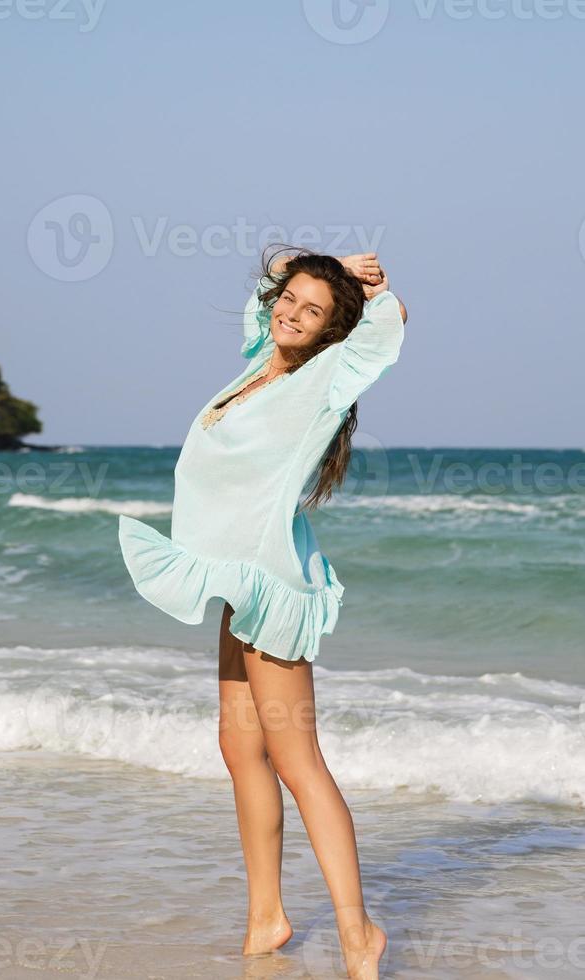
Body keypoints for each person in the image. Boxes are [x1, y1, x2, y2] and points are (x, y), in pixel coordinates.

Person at [118, 247, 408, 979]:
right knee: (240, 750)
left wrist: (366, 286)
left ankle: (357, 934)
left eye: (312, 312)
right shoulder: (258, 362)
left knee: (297, 760)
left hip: (271, 582)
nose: (292, 313)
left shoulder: (324, 380)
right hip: (235, 578)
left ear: (329, 332)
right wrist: (322, 265)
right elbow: (269, 278)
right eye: (291, 301)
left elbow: (390, 323)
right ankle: (267, 919)